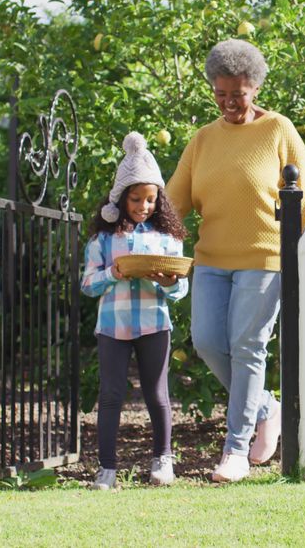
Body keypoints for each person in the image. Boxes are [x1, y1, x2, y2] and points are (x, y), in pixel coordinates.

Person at [166, 39, 305, 483]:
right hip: (212, 259)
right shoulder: (203, 140)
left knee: (249, 346)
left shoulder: (278, 130)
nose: (230, 102)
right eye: (221, 94)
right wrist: (146, 233)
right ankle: (267, 408)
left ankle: (235, 450)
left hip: (264, 258)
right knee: (209, 342)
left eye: (239, 93)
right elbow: (175, 202)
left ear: (255, 88)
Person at [81, 132, 189, 489]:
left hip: (154, 324)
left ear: (159, 201)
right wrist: (114, 273)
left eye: (150, 200)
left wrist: (168, 281)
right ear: (120, 198)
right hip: (112, 326)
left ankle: (163, 460)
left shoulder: (167, 239)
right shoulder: (102, 240)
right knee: (111, 395)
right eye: (136, 199)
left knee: (157, 394)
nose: (143, 206)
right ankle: (107, 469)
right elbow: (87, 284)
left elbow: (180, 288)